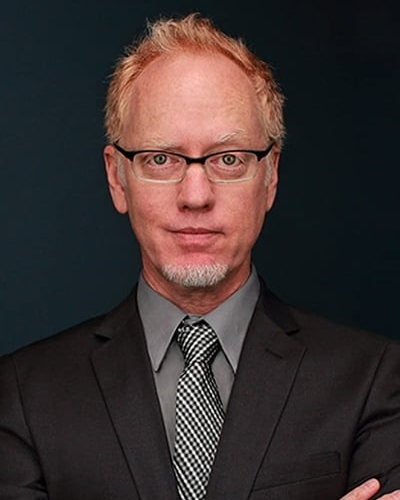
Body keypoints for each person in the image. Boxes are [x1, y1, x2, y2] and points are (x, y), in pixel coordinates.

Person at [0, 13, 399, 500]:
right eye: (160, 159)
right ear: (117, 178)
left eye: (228, 159)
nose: (195, 195)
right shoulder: (20, 395)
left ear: (270, 175)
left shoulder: (377, 380)